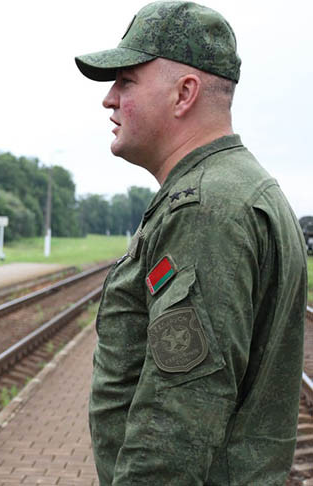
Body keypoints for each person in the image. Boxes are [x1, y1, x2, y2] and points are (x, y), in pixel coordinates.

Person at [75, 2, 307, 483]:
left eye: (127, 81)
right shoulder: (239, 188)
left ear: (184, 93)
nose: (109, 99)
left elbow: (177, 418)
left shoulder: (205, 208)